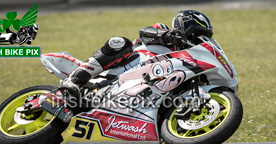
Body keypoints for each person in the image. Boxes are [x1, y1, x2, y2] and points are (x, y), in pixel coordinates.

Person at [60, 10, 213, 97]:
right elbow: (144, 32)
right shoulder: (163, 31)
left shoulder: (186, 60)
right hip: (119, 71)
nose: (198, 39)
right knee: (120, 42)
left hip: (138, 89)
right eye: (197, 34)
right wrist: (167, 36)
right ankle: (76, 78)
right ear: (186, 25)